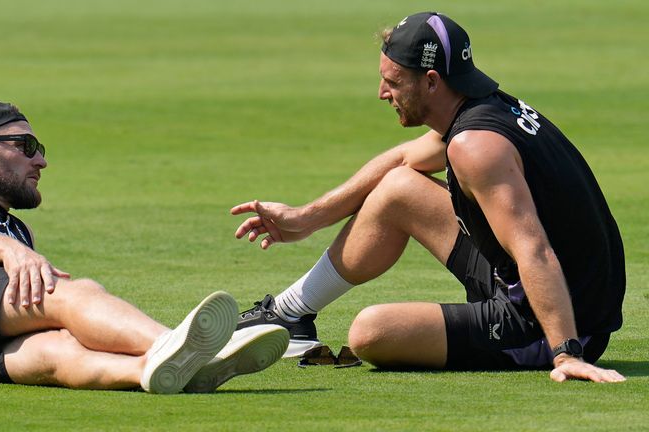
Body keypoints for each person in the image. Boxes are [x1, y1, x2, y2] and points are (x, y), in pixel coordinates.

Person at [232, 12, 626, 382]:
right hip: (538, 287)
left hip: (551, 322)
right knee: (399, 187)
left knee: (371, 331)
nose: (382, 93)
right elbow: (403, 158)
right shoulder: (481, 111)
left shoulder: (476, 147)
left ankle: (563, 349)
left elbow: (533, 249)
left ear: (432, 81)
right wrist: (305, 219)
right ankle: (288, 314)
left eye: (394, 81)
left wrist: (567, 353)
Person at [0, 100, 289, 393]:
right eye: (26, 147)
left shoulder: (17, 230)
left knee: (56, 351)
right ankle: (185, 347)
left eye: (41, 150)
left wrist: (17, 248)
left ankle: (156, 369)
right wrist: (12, 252)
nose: (40, 161)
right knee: (73, 294)